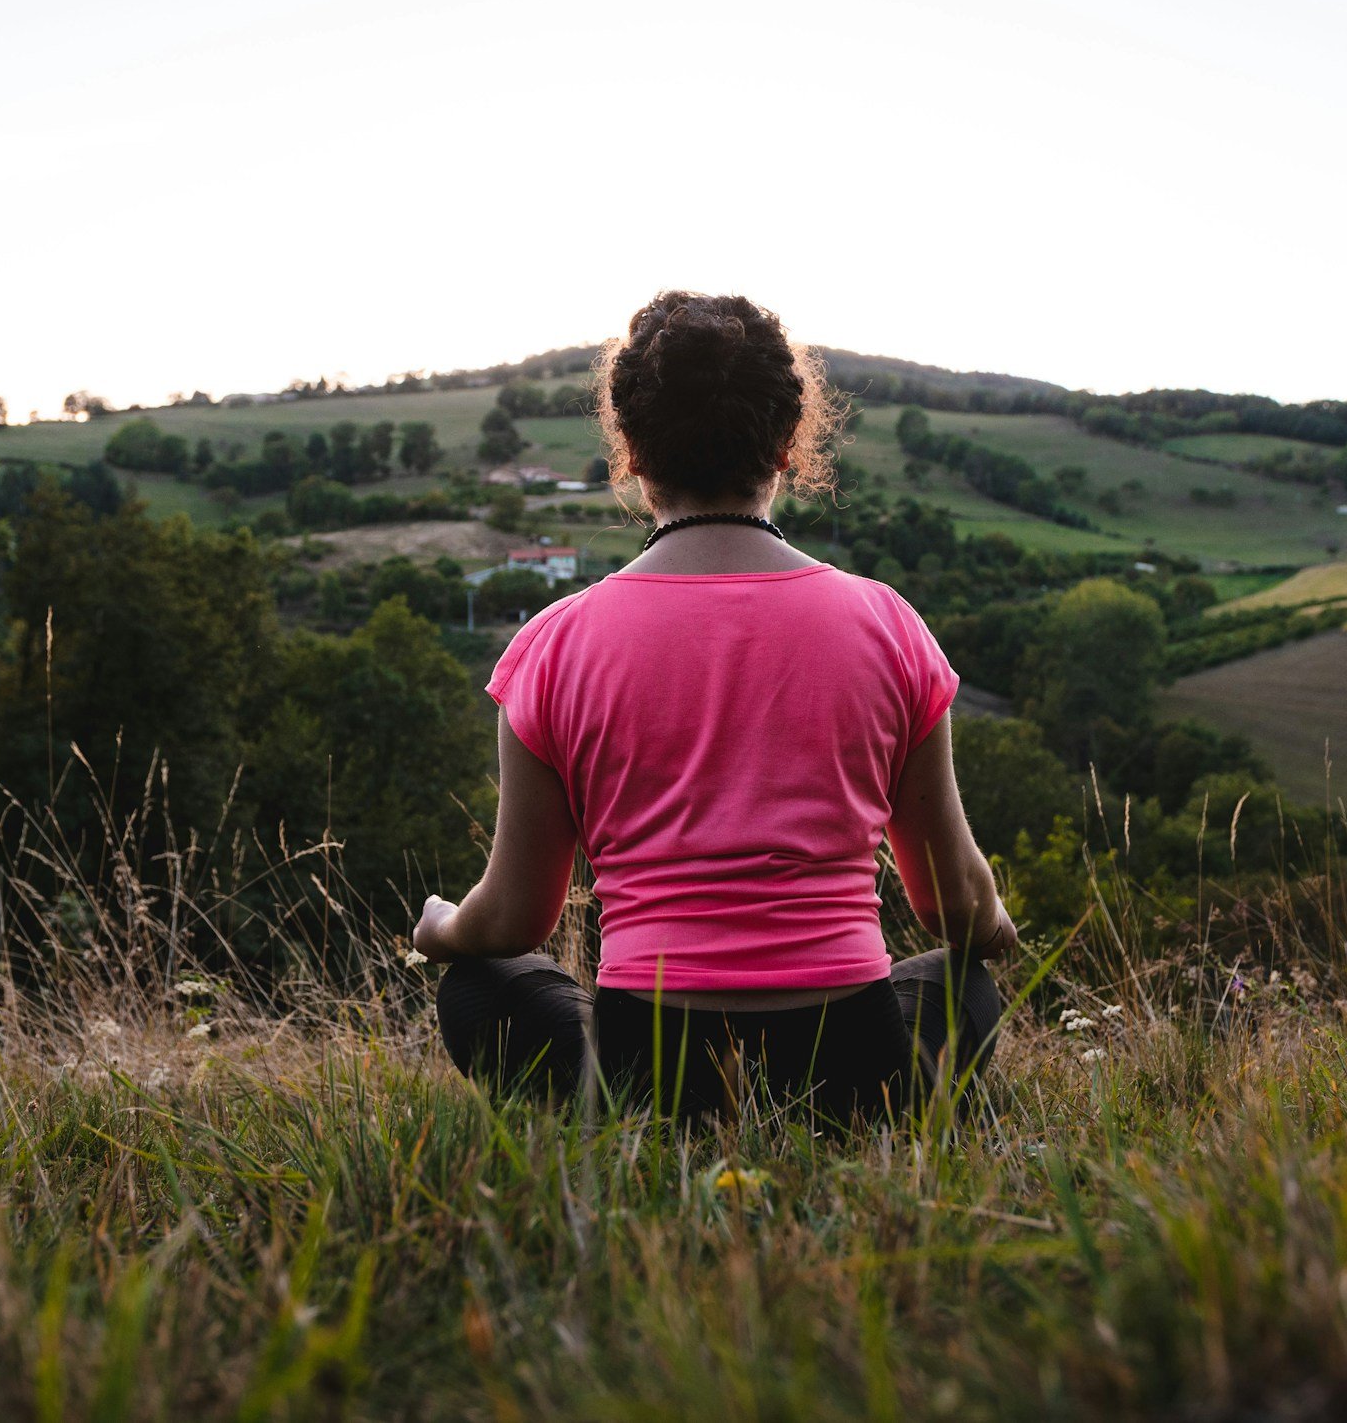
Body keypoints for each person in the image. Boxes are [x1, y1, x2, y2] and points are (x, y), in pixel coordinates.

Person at [413, 291, 1018, 1123]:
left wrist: (440, 929)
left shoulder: (554, 645)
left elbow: (515, 918)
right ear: (787, 444)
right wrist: (991, 926)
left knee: (480, 984)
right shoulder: (889, 624)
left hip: (650, 1076)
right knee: (962, 982)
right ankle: (846, 1123)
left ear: (628, 448)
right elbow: (954, 905)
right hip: (855, 1075)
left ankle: (643, 1123)